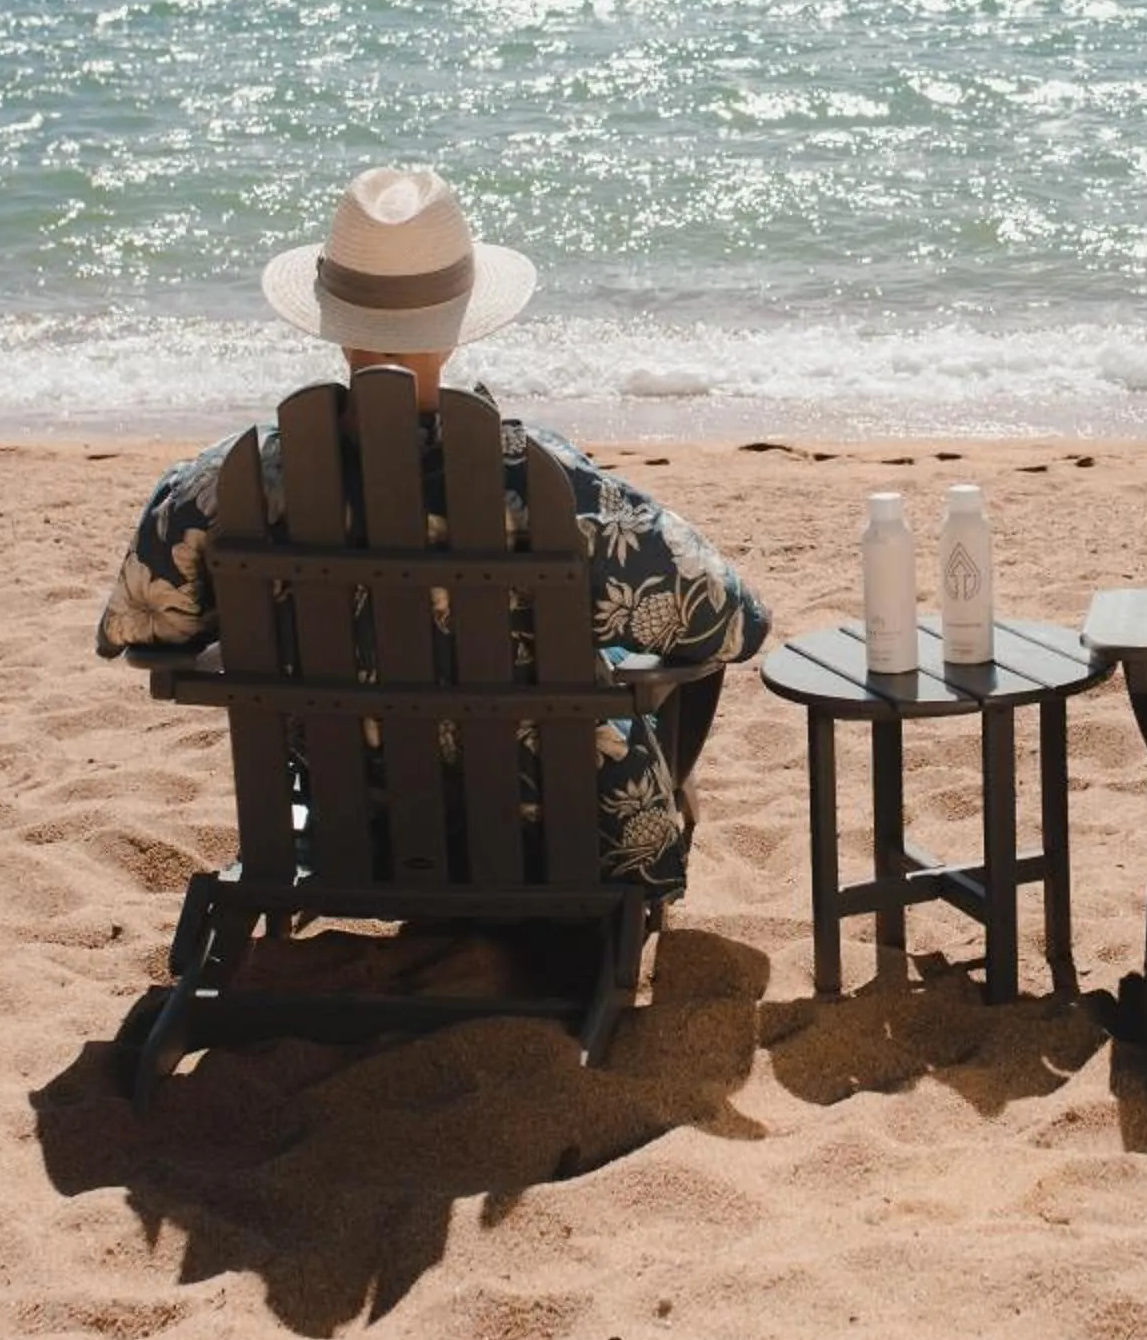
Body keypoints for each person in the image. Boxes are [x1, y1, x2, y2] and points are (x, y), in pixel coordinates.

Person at [97, 165, 772, 899]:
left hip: (353, 830)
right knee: (666, 654)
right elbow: (733, 620)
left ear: (331, 317)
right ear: (456, 327)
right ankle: (656, 833)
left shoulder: (227, 485)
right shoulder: (546, 484)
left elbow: (142, 629)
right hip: (561, 838)